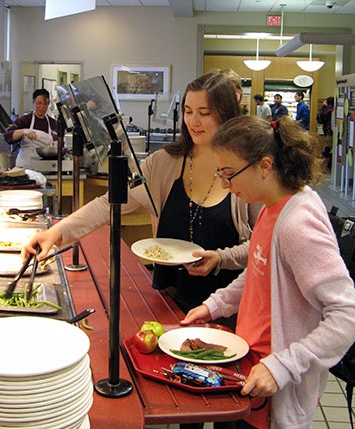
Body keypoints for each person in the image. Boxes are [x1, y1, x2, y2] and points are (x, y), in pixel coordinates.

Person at [23, 69, 261, 326]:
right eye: (188, 111)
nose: (193, 121)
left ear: (226, 115)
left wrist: (221, 259)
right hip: (169, 299)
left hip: (227, 309)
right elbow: (109, 203)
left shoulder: (247, 168)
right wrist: (57, 233)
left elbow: (261, 246)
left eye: (204, 113)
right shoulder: (164, 163)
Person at [180, 115, 355, 429]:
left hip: (272, 386)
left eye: (230, 174)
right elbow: (258, 271)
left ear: (264, 165)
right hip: (247, 366)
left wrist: (283, 367)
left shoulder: (297, 224)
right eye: (220, 173)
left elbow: (347, 315)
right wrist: (215, 306)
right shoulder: (270, 206)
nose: (224, 184)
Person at [4, 88, 62, 169]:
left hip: (45, 167)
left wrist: (57, 144)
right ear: (33, 103)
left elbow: (60, 140)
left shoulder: (53, 123)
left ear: (48, 104)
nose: (42, 107)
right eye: (39, 103)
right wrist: (24, 131)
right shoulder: (24, 120)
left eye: (45, 104)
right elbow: (8, 137)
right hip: (25, 166)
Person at [317, 96, 334, 171]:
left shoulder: (330, 111)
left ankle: (324, 167)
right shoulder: (332, 110)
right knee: (328, 149)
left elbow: (321, 116)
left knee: (327, 149)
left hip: (329, 132)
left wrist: (323, 106)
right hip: (329, 131)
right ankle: (326, 167)